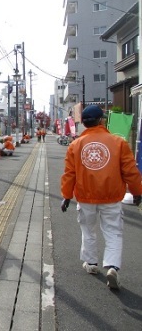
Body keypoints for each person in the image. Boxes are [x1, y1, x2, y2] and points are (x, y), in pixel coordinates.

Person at [61, 105, 142, 290]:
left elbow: (69, 174)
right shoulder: (118, 142)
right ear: (101, 120)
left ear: (84, 123)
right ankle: (112, 267)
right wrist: (137, 192)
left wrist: (66, 196)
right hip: (112, 197)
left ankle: (91, 263)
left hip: (85, 197)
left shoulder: (75, 145)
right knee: (113, 232)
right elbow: (130, 171)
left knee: (88, 230)